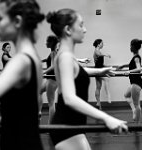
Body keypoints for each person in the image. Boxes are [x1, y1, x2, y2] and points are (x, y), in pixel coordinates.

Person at [46, 8, 128, 150]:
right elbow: (69, 98)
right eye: (81, 25)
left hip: (72, 126)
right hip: (66, 128)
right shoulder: (65, 56)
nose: (85, 29)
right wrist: (106, 117)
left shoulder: (66, 55)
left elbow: (77, 71)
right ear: (68, 30)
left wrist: (99, 70)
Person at [0, 0, 45, 150]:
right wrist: (0, 120)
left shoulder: (21, 60)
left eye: (0, 18)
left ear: (17, 21)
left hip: (20, 144)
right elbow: (25, 109)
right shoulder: (32, 56)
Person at [117, 39, 142, 123]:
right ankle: (134, 111)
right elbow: (133, 66)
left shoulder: (136, 58)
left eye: (131, 46)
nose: (130, 47)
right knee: (126, 95)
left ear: (134, 47)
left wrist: (129, 71)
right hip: (134, 82)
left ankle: (137, 124)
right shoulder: (135, 56)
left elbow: (139, 69)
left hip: (136, 83)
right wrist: (123, 65)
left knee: (137, 104)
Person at [38, 35, 60, 124]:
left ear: (51, 43)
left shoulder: (54, 52)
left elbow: (53, 66)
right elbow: (49, 60)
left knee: (51, 103)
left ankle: (51, 125)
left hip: (52, 79)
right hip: (50, 78)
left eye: (47, 41)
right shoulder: (52, 52)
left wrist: (43, 72)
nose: (45, 43)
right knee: (39, 91)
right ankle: (39, 111)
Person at [93, 39, 111, 109]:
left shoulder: (99, 51)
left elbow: (100, 64)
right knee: (106, 79)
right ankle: (108, 95)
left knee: (98, 87)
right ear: (98, 44)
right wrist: (106, 55)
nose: (103, 44)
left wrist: (107, 66)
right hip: (98, 70)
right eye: (102, 43)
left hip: (99, 69)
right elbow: (98, 54)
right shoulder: (96, 50)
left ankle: (98, 103)